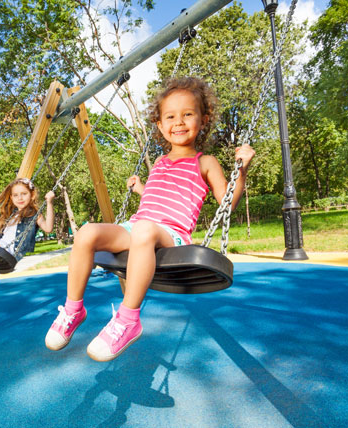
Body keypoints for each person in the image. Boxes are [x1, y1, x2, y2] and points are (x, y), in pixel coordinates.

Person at [45, 76, 256, 362]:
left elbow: (228, 203)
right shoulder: (158, 163)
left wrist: (241, 171)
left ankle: (128, 320)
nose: (178, 122)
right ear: (159, 124)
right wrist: (141, 189)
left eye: (188, 114)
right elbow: (156, 200)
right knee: (87, 233)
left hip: (173, 235)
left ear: (203, 119)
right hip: (140, 227)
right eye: (170, 116)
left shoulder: (206, 162)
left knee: (143, 229)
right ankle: (73, 309)